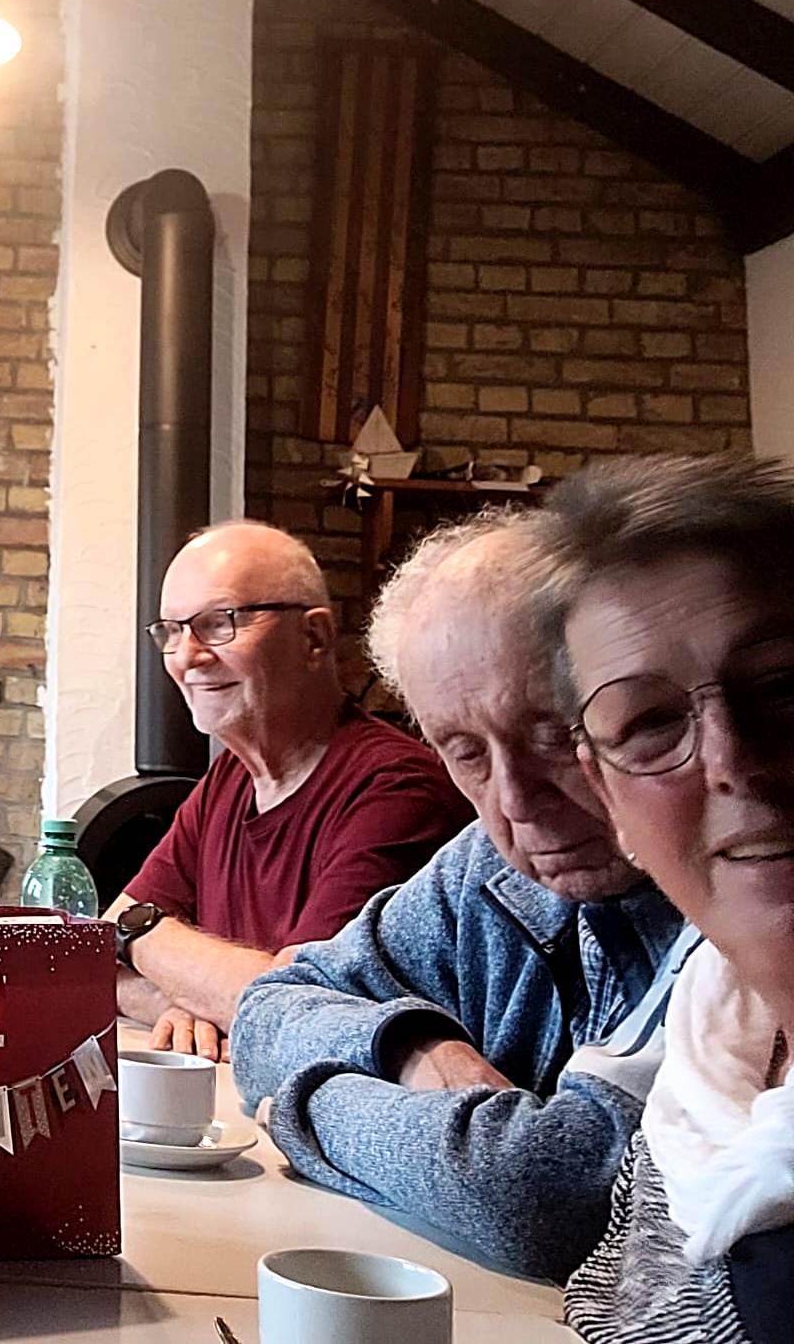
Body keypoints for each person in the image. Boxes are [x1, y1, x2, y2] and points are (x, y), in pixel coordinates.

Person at [231, 509, 689, 1281]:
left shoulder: (736, 895)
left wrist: (312, 1114)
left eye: (550, 733)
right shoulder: (486, 867)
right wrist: (412, 1048)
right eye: (466, 751)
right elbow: (267, 1013)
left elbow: (545, 1193)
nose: (516, 800)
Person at [531, 455, 794, 1343]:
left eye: (784, 685)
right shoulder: (714, 1032)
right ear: (606, 794)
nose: (730, 760)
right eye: (650, 723)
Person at [110, 520, 471, 1059]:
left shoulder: (399, 789)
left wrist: (139, 934)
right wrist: (178, 1002)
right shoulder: (228, 779)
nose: (187, 657)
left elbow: (304, 1004)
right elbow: (99, 958)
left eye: (219, 623)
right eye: (172, 631)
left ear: (314, 638)